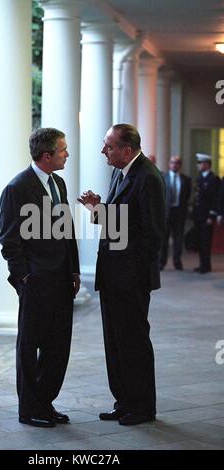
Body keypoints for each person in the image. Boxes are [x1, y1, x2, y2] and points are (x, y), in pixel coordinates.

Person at [78, 124, 166, 425]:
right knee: (115, 343)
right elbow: (119, 223)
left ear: (126, 150)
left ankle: (142, 408)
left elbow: (151, 236)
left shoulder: (149, 178)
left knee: (134, 344)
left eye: (109, 146)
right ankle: (124, 401)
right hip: (113, 276)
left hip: (131, 280)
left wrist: (132, 277)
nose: (104, 151)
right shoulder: (120, 172)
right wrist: (98, 208)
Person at [0, 127, 80, 428]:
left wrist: (73, 269)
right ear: (47, 155)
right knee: (30, 347)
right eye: (63, 150)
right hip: (35, 282)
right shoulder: (17, 188)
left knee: (58, 345)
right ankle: (29, 409)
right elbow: (9, 240)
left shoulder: (58, 182)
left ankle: (45, 403)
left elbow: (66, 230)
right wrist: (24, 279)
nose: (67, 154)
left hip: (61, 279)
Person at [160, 156, 192, 270]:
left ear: (180, 165)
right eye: (173, 162)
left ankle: (177, 262)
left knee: (178, 239)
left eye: (177, 163)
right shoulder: (163, 177)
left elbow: (187, 196)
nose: (175, 165)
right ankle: (161, 262)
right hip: (166, 213)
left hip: (179, 213)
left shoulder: (186, 180)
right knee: (164, 239)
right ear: (169, 164)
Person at [193, 153, 220, 274]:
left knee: (206, 242)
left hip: (207, 216)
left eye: (200, 163)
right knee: (200, 241)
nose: (198, 165)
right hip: (199, 215)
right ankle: (203, 264)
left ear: (206, 164)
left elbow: (216, 199)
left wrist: (211, 215)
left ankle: (206, 265)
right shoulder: (200, 178)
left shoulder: (213, 179)